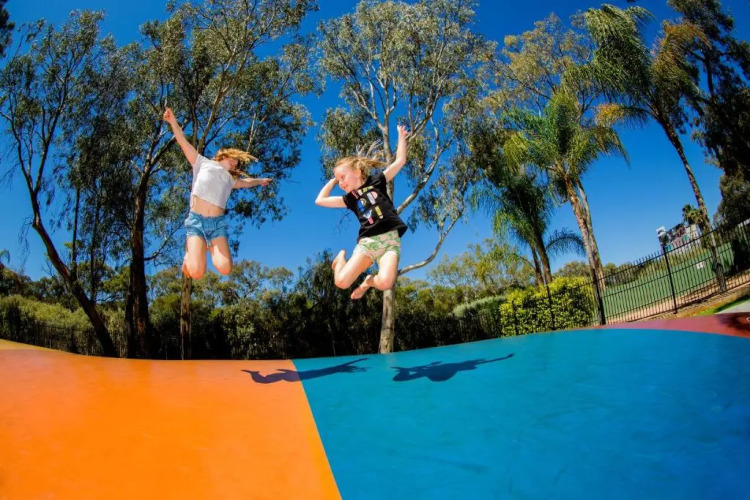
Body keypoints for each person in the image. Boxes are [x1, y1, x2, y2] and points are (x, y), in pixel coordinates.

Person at [163, 107, 272, 279]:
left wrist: (260, 180)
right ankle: (189, 256)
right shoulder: (201, 162)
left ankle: (208, 245)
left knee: (225, 268)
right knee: (196, 273)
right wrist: (173, 122)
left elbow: (246, 183)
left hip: (217, 225)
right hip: (197, 221)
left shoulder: (230, 180)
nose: (235, 163)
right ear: (223, 155)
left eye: (237, 164)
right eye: (234, 159)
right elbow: (183, 142)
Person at [315, 125, 409, 299]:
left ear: (357, 172)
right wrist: (332, 181)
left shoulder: (377, 181)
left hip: (390, 241)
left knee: (385, 283)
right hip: (368, 242)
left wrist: (401, 136)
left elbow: (400, 161)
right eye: (338, 181)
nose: (340, 183)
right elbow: (320, 200)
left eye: (342, 177)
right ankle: (340, 260)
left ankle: (367, 282)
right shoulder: (350, 199)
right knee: (341, 282)